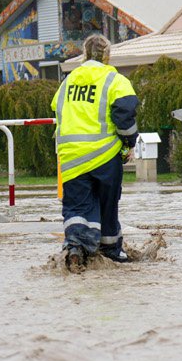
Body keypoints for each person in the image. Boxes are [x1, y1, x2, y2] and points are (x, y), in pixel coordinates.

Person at [55, 33, 139, 269]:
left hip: (71, 158)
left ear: (84, 53)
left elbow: (58, 112)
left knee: (76, 207)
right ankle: (110, 252)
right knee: (107, 206)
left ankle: (74, 247)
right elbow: (125, 115)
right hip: (104, 157)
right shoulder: (115, 80)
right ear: (107, 55)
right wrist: (129, 142)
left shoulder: (68, 81)